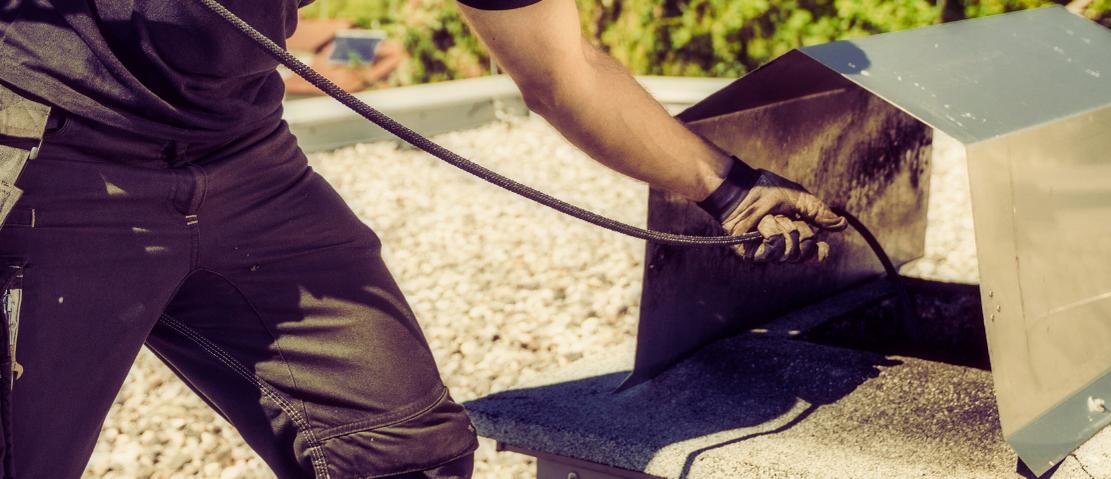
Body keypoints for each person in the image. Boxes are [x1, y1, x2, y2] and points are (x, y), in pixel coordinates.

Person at [0, 0, 845, 477]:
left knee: (404, 454)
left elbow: (562, 70)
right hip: (46, 144)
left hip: (238, 147)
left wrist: (730, 191)